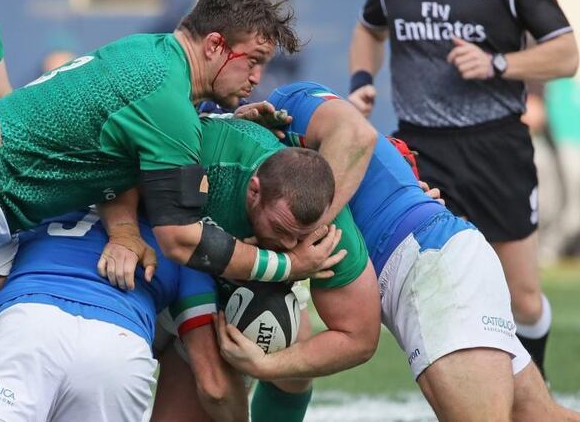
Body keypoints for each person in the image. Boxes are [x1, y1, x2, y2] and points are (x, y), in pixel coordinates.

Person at [0, 0, 343, 422]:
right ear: (215, 45)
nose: (258, 77)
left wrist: (128, 227)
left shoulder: (153, 58)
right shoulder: (166, 99)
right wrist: (285, 265)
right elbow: (180, 239)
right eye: (252, 61)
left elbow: (113, 156)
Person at [213, 81, 580, 422]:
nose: (253, 74)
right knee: (538, 416)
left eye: (258, 59)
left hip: (429, 262)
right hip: (438, 261)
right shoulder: (247, 168)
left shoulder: (289, 106)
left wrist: (267, 364)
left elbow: (358, 134)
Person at [348, 0, 579, 375]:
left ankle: (530, 391)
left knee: (522, 299)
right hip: (419, 148)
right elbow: (369, 30)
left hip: (495, 148)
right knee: (414, 283)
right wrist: (362, 81)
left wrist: (498, 62)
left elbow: (566, 54)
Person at [149, 116, 381, 422]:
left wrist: (264, 366)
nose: (288, 242)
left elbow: (360, 339)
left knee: (286, 355)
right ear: (254, 191)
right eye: (280, 228)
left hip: (213, 289)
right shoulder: (210, 158)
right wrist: (122, 231)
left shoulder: (329, 236)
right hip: (158, 263)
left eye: (298, 235)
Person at [0, 208, 243, 422]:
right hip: (119, 352)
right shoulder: (184, 248)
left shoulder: (49, 202)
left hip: (28, 327)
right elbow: (214, 387)